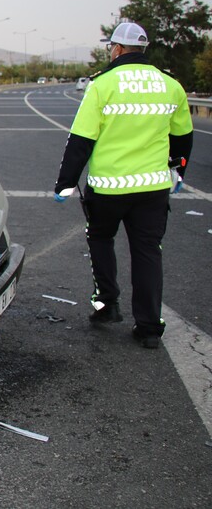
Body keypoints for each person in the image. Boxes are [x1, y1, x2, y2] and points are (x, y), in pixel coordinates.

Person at [53, 22, 193, 349]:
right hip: (153, 188)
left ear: (116, 48)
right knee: (148, 253)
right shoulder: (170, 85)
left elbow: (81, 140)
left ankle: (106, 304)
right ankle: (148, 328)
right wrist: (178, 171)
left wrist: (65, 183)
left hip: (108, 188)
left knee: (100, 239)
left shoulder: (102, 85)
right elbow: (183, 138)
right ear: (143, 49)